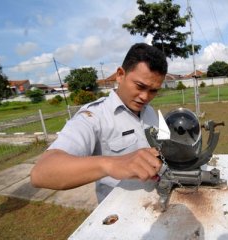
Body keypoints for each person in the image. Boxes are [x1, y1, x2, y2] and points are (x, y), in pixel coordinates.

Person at [30, 43, 168, 202]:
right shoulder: (93, 117)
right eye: (140, 86)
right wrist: (111, 164)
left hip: (156, 203)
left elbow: (165, 144)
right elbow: (41, 173)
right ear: (120, 75)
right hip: (117, 216)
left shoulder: (150, 111)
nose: (145, 97)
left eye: (153, 90)